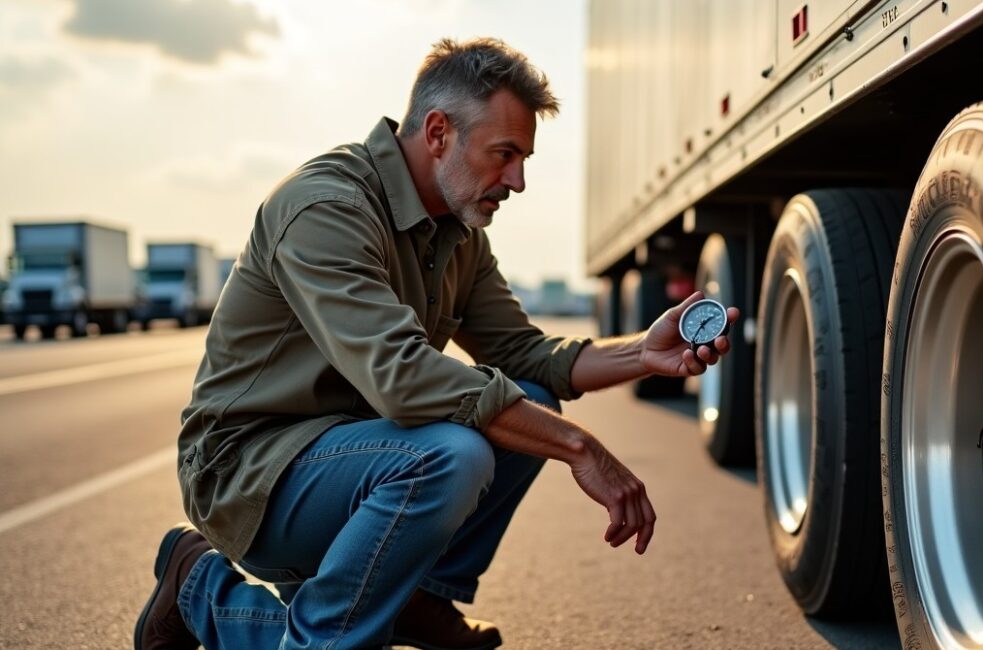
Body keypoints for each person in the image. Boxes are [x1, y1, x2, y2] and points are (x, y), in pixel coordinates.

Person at [133, 37, 738, 650]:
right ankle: (206, 589)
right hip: (248, 473)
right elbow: (404, 378)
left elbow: (524, 356)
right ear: (439, 131)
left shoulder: (461, 234)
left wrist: (643, 353)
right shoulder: (326, 207)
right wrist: (582, 449)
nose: (519, 181)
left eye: (524, 158)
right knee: (452, 453)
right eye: (504, 155)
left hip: (352, 458)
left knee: (528, 401)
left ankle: (415, 602)